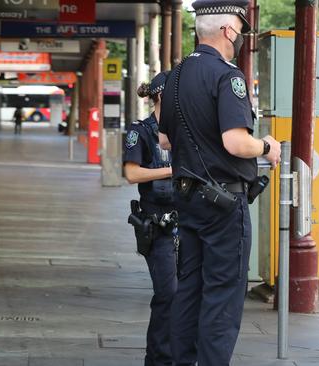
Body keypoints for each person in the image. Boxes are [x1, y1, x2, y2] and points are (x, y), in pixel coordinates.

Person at [158, 1, 281, 365]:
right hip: (224, 204)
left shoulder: (175, 76)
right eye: (241, 31)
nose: (241, 37)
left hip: (186, 199)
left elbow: (164, 140)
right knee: (222, 297)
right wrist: (267, 147)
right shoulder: (229, 77)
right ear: (229, 30)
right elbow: (236, 143)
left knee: (189, 291)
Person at [124, 71, 177, 366]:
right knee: (168, 293)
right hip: (157, 224)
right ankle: (158, 360)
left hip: (187, 224)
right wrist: (173, 170)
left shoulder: (185, 131)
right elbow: (131, 173)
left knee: (186, 295)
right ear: (160, 96)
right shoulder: (141, 131)